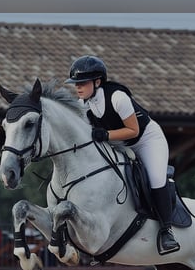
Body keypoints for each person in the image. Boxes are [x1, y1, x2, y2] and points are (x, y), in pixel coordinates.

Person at [65, 55, 180, 255]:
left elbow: (133, 131)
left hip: (146, 141)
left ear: (97, 81)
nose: (78, 87)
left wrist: (106, 134)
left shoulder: (117, 97)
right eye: (76, 83)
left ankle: (166, 231)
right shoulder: (85, 104)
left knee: (155, 179)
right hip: (119, 143)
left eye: (82, 83)